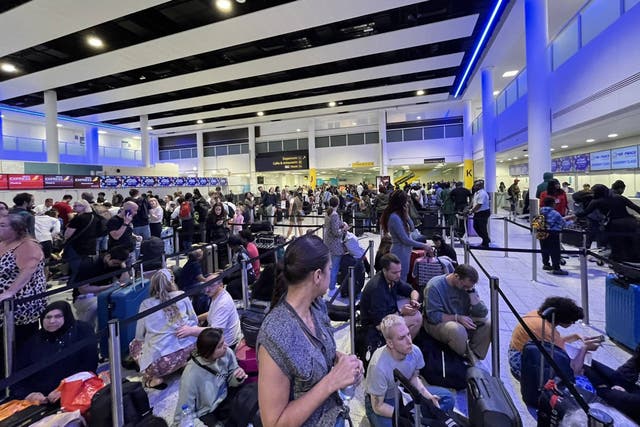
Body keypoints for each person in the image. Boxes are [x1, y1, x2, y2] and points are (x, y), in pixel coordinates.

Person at [257, 234, 363, 427]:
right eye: (330, 269)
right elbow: (274, 423)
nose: (332, 274)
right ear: (317, 276)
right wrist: (332, 381)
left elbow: (315, 352)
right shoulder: (275, 334)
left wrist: (342, 362)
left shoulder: (317, 306)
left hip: (335, 415)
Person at [365, 314, 454, 427]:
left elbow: (413, 378)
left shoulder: (414, 351)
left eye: (408, 334)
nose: (409, 341)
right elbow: (378, 407)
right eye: (402, 338)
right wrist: (406, 415)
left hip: (404, 391)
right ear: (390, 343)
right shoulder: (378, 367)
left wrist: (428, 397)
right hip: (385, 400)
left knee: (447, 399)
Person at [11, 301, 98, 403]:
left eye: (58, 316)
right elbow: (17, 375)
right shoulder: (34, 341)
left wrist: (66, 389)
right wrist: (29, 394)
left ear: (66, 316)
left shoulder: (82, 330)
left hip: (77, 390)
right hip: (40, 398)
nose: (52, 321)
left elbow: (89, 365)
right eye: (48, 317)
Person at [130, 269, 198, 389]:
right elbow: (195, 320)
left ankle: (155, 379)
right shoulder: (181, 295)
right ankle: (182, 365)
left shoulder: (145, 304)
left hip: (161, 361)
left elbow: (139, 336)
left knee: (133, 345)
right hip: (189, 350)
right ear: (171, 281)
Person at [174, 328, 248, 426]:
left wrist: (238, 377)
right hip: (208, 411)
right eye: (220, 346)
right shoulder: (190, 376)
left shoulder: (227, 353)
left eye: (224, 342)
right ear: (208, 351)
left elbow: (231, 378)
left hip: (226, 397)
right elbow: (183, 413)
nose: (225, 346)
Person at [508, 297, 594, 381]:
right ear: (563, 319)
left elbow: (554, 341)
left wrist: (576, 336)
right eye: (572, 321)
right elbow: (574, 367)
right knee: (575, 374)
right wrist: (585, 348)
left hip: (516, 355)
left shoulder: (535, 315)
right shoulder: (546, 329)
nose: (573, 323)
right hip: (521, 366)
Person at [423, 264, 491, 360]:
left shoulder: (468, 288)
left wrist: (472, 296)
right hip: (437, 323)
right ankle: (460, 359)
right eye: (464, 286)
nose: (466, 289)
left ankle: (475, 357)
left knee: (487, 324)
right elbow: (433, 316)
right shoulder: (435, 286)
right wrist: (457, 318)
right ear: (456, 276)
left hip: (461, 319)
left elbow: (482, 313)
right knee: (457, 330)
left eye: (469, 287)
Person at [0, 214, 47, 349]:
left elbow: (28, 269)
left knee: (19, 344)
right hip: (4, 307)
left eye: (3, 226)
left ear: (17, 228)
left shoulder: (28, 245)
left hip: (20, 306)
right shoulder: (4, 243)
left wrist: (9, 292)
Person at [360, 253, 422, 339]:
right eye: (395, 272)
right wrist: (401, 312)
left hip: (387, 315)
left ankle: (402, 342)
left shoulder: (392, 279)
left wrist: (414, 301)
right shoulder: (377, 289)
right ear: (384, 270)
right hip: (374, 326)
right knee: (417, 318)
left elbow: (412, 291)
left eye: (400, 271)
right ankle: (402, 346)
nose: (399, 275)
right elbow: (379, 323)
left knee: (414, 311)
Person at [576, 183, 640, 262]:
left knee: (616, 244)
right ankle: (634, 259)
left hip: (614, 224)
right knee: (632, 242)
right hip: (630, 222)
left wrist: (575, 214)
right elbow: (636, 208)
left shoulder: (596, 201)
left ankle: (618, 261)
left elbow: (584, 213)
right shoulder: (619, 197)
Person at [72, 246, 131, 326]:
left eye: (118, 263)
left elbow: (125, 282)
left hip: (103, 294)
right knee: (96, 306)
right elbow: (83, 289)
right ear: (108, 256)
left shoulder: (117, 264)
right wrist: (109, 287)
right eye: (115, 263)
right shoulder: (89, 264)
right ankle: (85, 330)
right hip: (82, 296)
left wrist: (124, 267)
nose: (115, 265)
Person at [380, 190, 431, 282]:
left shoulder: (400, 216)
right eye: (406, 200)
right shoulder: (394, 218)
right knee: (399, 278)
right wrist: (424, 246)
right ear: (401, 203)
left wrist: (407, 216)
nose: (408, 203)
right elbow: (405, 239)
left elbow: (412, 228)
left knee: (403, 276)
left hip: (405, 251)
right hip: (400, 252)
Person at [177, 277, 242, 348]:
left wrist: (191, 330)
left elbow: (215, 331)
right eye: (206, 286)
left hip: (226, 344)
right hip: (221, 336)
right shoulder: (218, 295)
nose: (207, 290)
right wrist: (197, 318)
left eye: (211, 286)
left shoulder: (223, 303)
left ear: (221, 285)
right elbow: (212, 313)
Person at [64, 199, 99, 281]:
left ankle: (75, 289)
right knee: (86, 270)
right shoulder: (94, 217)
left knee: (76, 270)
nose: (73, 207)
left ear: (83, 207)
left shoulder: (78, 218)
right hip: (90, 246)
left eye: (76, 206)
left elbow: (67, 235)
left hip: (76, 247)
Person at [539, 196, 574, 275]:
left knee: (544, 249)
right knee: (555, 251)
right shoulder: (555, 213)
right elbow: (563, 224)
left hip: (542, 232)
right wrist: (572, 221)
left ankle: (546, 264)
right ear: (552, 204)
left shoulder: (541, 210)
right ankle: (556, 268)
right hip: (552, 234)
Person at [177, 248, 218, 314]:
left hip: (184, 286)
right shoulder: (195, 264)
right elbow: (201, 278)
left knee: (203, 285)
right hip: (186, 287)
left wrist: (210, 275)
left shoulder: (190, 262)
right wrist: (212, 279)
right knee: (205, 287)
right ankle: (202, 311)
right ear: (199, 256)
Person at [324, 196, 349, 293]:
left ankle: (329, 285)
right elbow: (336, 232)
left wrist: (343, 224)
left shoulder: (328, 212)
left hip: (328, 242)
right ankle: (332, 288)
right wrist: (344, 229)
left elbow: (335, 224)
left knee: (330, 266)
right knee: (335, 266)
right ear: (338, 204)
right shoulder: (334, 214)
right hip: (334, 244)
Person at [224, 235, 256, 300]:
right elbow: (235, 266)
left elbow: (242, 270)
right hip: (242, 273)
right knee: (224, 278)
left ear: (233, 245)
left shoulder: (241, 254)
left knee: (231, 286)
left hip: (248, 275)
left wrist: (230, 275)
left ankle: (240, 299)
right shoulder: (239, 250)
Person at [469, 180, 491, 248]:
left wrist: (471, 211)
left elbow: (479, 204)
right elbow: (474, 202)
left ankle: (486, 243)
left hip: (483, 213)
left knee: (482, 228)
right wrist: (469, 207)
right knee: (476, 227)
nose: (474, 186)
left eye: (476, 185)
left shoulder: (482, 194)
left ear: (480, 186)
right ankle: (486, 239)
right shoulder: (476, 193)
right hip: (477, 213)